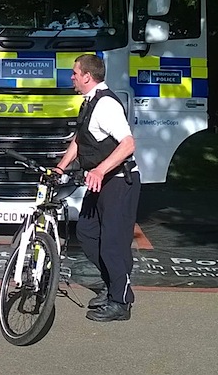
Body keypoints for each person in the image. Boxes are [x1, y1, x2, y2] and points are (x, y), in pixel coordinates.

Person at [53, 54, 139, 322]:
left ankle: (120, 302)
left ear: (87, 76)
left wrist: (100, 169)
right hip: (99, 181)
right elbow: (81, 139)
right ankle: (113, 286)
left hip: (118, 182)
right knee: (87, 234)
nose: (72, 77)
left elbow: (128, 144)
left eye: (75, 73)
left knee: (113, 243)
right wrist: (60, 167)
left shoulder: (106, 105)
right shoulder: (89, 103)